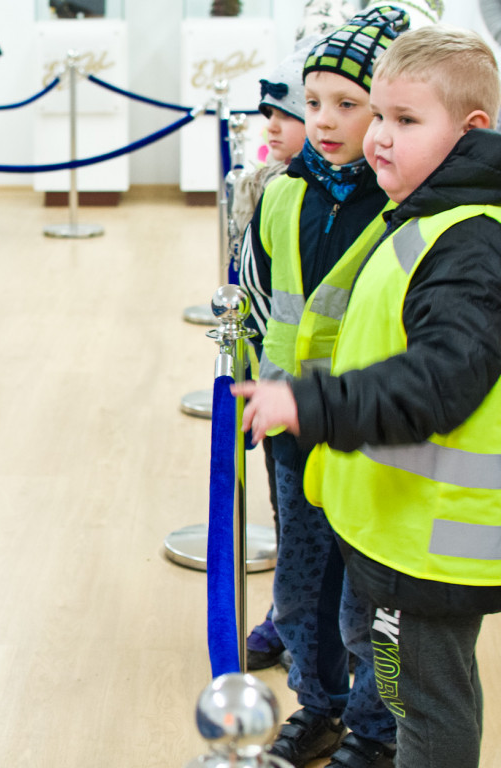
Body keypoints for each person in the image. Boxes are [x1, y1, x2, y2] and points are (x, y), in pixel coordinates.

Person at [235, 25, 501, 768]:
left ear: (471, 129)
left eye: (405, 121)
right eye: (378, 115)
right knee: (404, 683)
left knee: (429, 705)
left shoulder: (470, 239)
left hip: (436, 544)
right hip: (400, 528)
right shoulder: (420, 213)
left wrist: (311, 403)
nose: (378, 137)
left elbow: (443, 379)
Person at [236, 9, 411, 767]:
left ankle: (377, 729)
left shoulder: (403, 202)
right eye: (312, 103)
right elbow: (259, 308)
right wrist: (254, 392)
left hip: (372, 428)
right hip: (292, 424)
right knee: (303, 587)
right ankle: (320, 706)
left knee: (371, 600)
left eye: (349, 103)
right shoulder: (278, 196)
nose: (326, 121)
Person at [232, 38, 310, 673]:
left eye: (290, 111)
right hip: (277, 390)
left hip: (341, 404)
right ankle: (288, 619)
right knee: (290, 518)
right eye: (275, 110)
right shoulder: (272, 191)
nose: (272, 125)